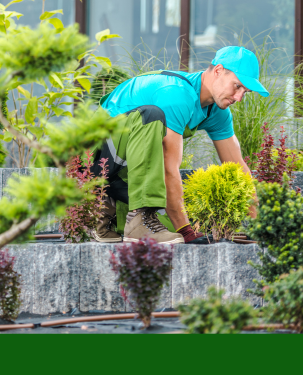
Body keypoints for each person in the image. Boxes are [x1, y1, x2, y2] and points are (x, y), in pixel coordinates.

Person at [92, 46, 267, 244]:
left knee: (172, 227)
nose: (239, 97)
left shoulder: (217, 111)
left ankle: (109, 214)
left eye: (246, 91)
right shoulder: (176, 94)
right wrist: (186, 231)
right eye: (237, 86)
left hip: (128, 169)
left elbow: (238, 167)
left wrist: (258, 225)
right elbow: (168, 167)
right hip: (97, 159)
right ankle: (116, 211)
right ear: (218, 71)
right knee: (151, 115)